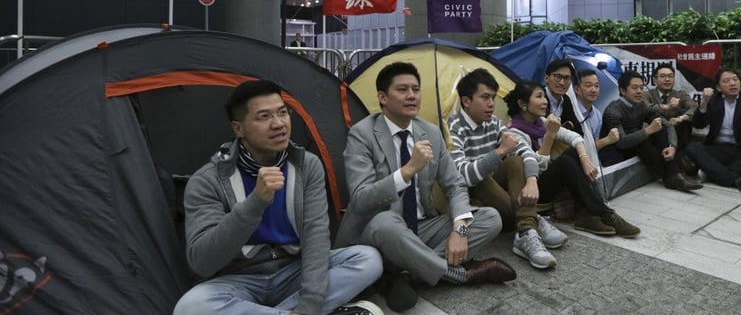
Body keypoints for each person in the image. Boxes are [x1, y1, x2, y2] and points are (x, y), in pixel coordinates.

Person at [174, 79, 383, 315]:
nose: (279, 124)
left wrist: (310, 303)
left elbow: (316, 234)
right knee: (189, 307)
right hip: (239, 280)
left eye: (283, 113)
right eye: (264, 117)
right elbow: (202, 262)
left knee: (368, 259)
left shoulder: (306, 165)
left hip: (293, 270)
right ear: (238, 128)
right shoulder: (207, 180)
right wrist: (255, 202)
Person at [335, 62, 514, 312]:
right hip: (377, 232)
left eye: (416, 89)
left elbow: (455, 185)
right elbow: (360, 199)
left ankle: (405, 274)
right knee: (387, 222)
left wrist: (459, 230)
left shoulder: (429, 132)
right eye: (402, 90)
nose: (411, 96)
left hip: (421, 227)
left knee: (490, 218)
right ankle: (458, 274)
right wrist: (407, 171)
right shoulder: (362, 134)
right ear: (382, 98)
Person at [448, 68, 565, 270]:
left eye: (493, 97)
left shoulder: (493, 123)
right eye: (485, 98)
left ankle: (526, 230)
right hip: (473, 197)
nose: (492, 104)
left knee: (516, 162)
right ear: (466, 101)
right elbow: (462, 175)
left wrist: (531, 180)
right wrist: (500, 151)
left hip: (497, 192)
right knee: (482, 176)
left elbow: (525, 151)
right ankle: (531, 219)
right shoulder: (454, 127)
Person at [505, 80, 641, 238]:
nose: (544, 101)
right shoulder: (514, 132)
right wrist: (549, 135)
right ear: (523, 103)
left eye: (544, 97)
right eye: (539, 97)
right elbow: (535, 168)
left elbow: (575, 137)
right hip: (530, 188)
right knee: (564, 162)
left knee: (573, 152)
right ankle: (605, 213)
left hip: (545, 180)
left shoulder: (540, 122)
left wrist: (584, 158)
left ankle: (586, 214)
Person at [600, 70, 702, 192]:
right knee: (643, 138)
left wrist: (673, 146)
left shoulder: (642, 105)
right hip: (616, 151)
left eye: (641, 87)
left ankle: (673, 174)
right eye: (634, 88)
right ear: (622, 90)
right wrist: (648, 130)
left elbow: (668, 125)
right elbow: (621, 142)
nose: (639, 91)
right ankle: (674, 173)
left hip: (634, 145)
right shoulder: (613, 110)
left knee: (660, 129)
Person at [685, 68, 741, 192]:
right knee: (692, 148)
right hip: (717, 149)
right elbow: (698, 124)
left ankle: (711, 172)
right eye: (727, 81)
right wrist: (703, 104)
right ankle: (738, 180)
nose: (732, 83)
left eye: (735, 79)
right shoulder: (713, 100)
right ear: (719, 87)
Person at [643, 64, 700, 174]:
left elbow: (694, 107)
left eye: (670, 76)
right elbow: (645, 107)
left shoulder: (680, 94)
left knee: (683, 120)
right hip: (656, 135)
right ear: (655, 80)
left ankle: (679, 163)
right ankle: (678, 167)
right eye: (663, 76)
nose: (667, 79)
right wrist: (666, 106)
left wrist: (681, 117)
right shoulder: (648, 94)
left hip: (678, 136)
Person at [574, 69, 620, 153]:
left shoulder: (597, 114)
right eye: (588, 85)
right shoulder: (571, 111)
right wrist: (607, 140)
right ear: (577, 89)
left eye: (597, 86)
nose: (594, 90)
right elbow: (575, 148)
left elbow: (595, 146)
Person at [544, 59, 582, 135]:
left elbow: (579, 131)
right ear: (546, 78)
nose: (562, 82)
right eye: (558, 77)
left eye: (567, 78)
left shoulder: (566, 100)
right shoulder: (538, 95)